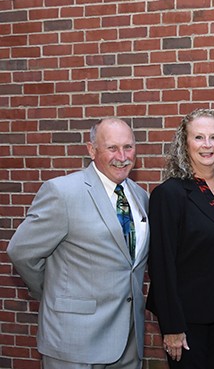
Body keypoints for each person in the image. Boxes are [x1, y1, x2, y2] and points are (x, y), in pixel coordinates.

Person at [8, 118, 149, 369]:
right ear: (92, 150)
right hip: (74, 340)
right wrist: (51, 292)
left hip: (128, 340)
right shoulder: (62, 193)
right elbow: (21, 251)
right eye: (112, 148)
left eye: (128, 147)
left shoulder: (141, 197)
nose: (122, 156)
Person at [147, 108, 214, 369]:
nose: (207, 145)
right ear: (184, 145)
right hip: (187, 320)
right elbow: (162, 265)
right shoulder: (169, 194)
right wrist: (172, 327)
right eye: (198, 138)